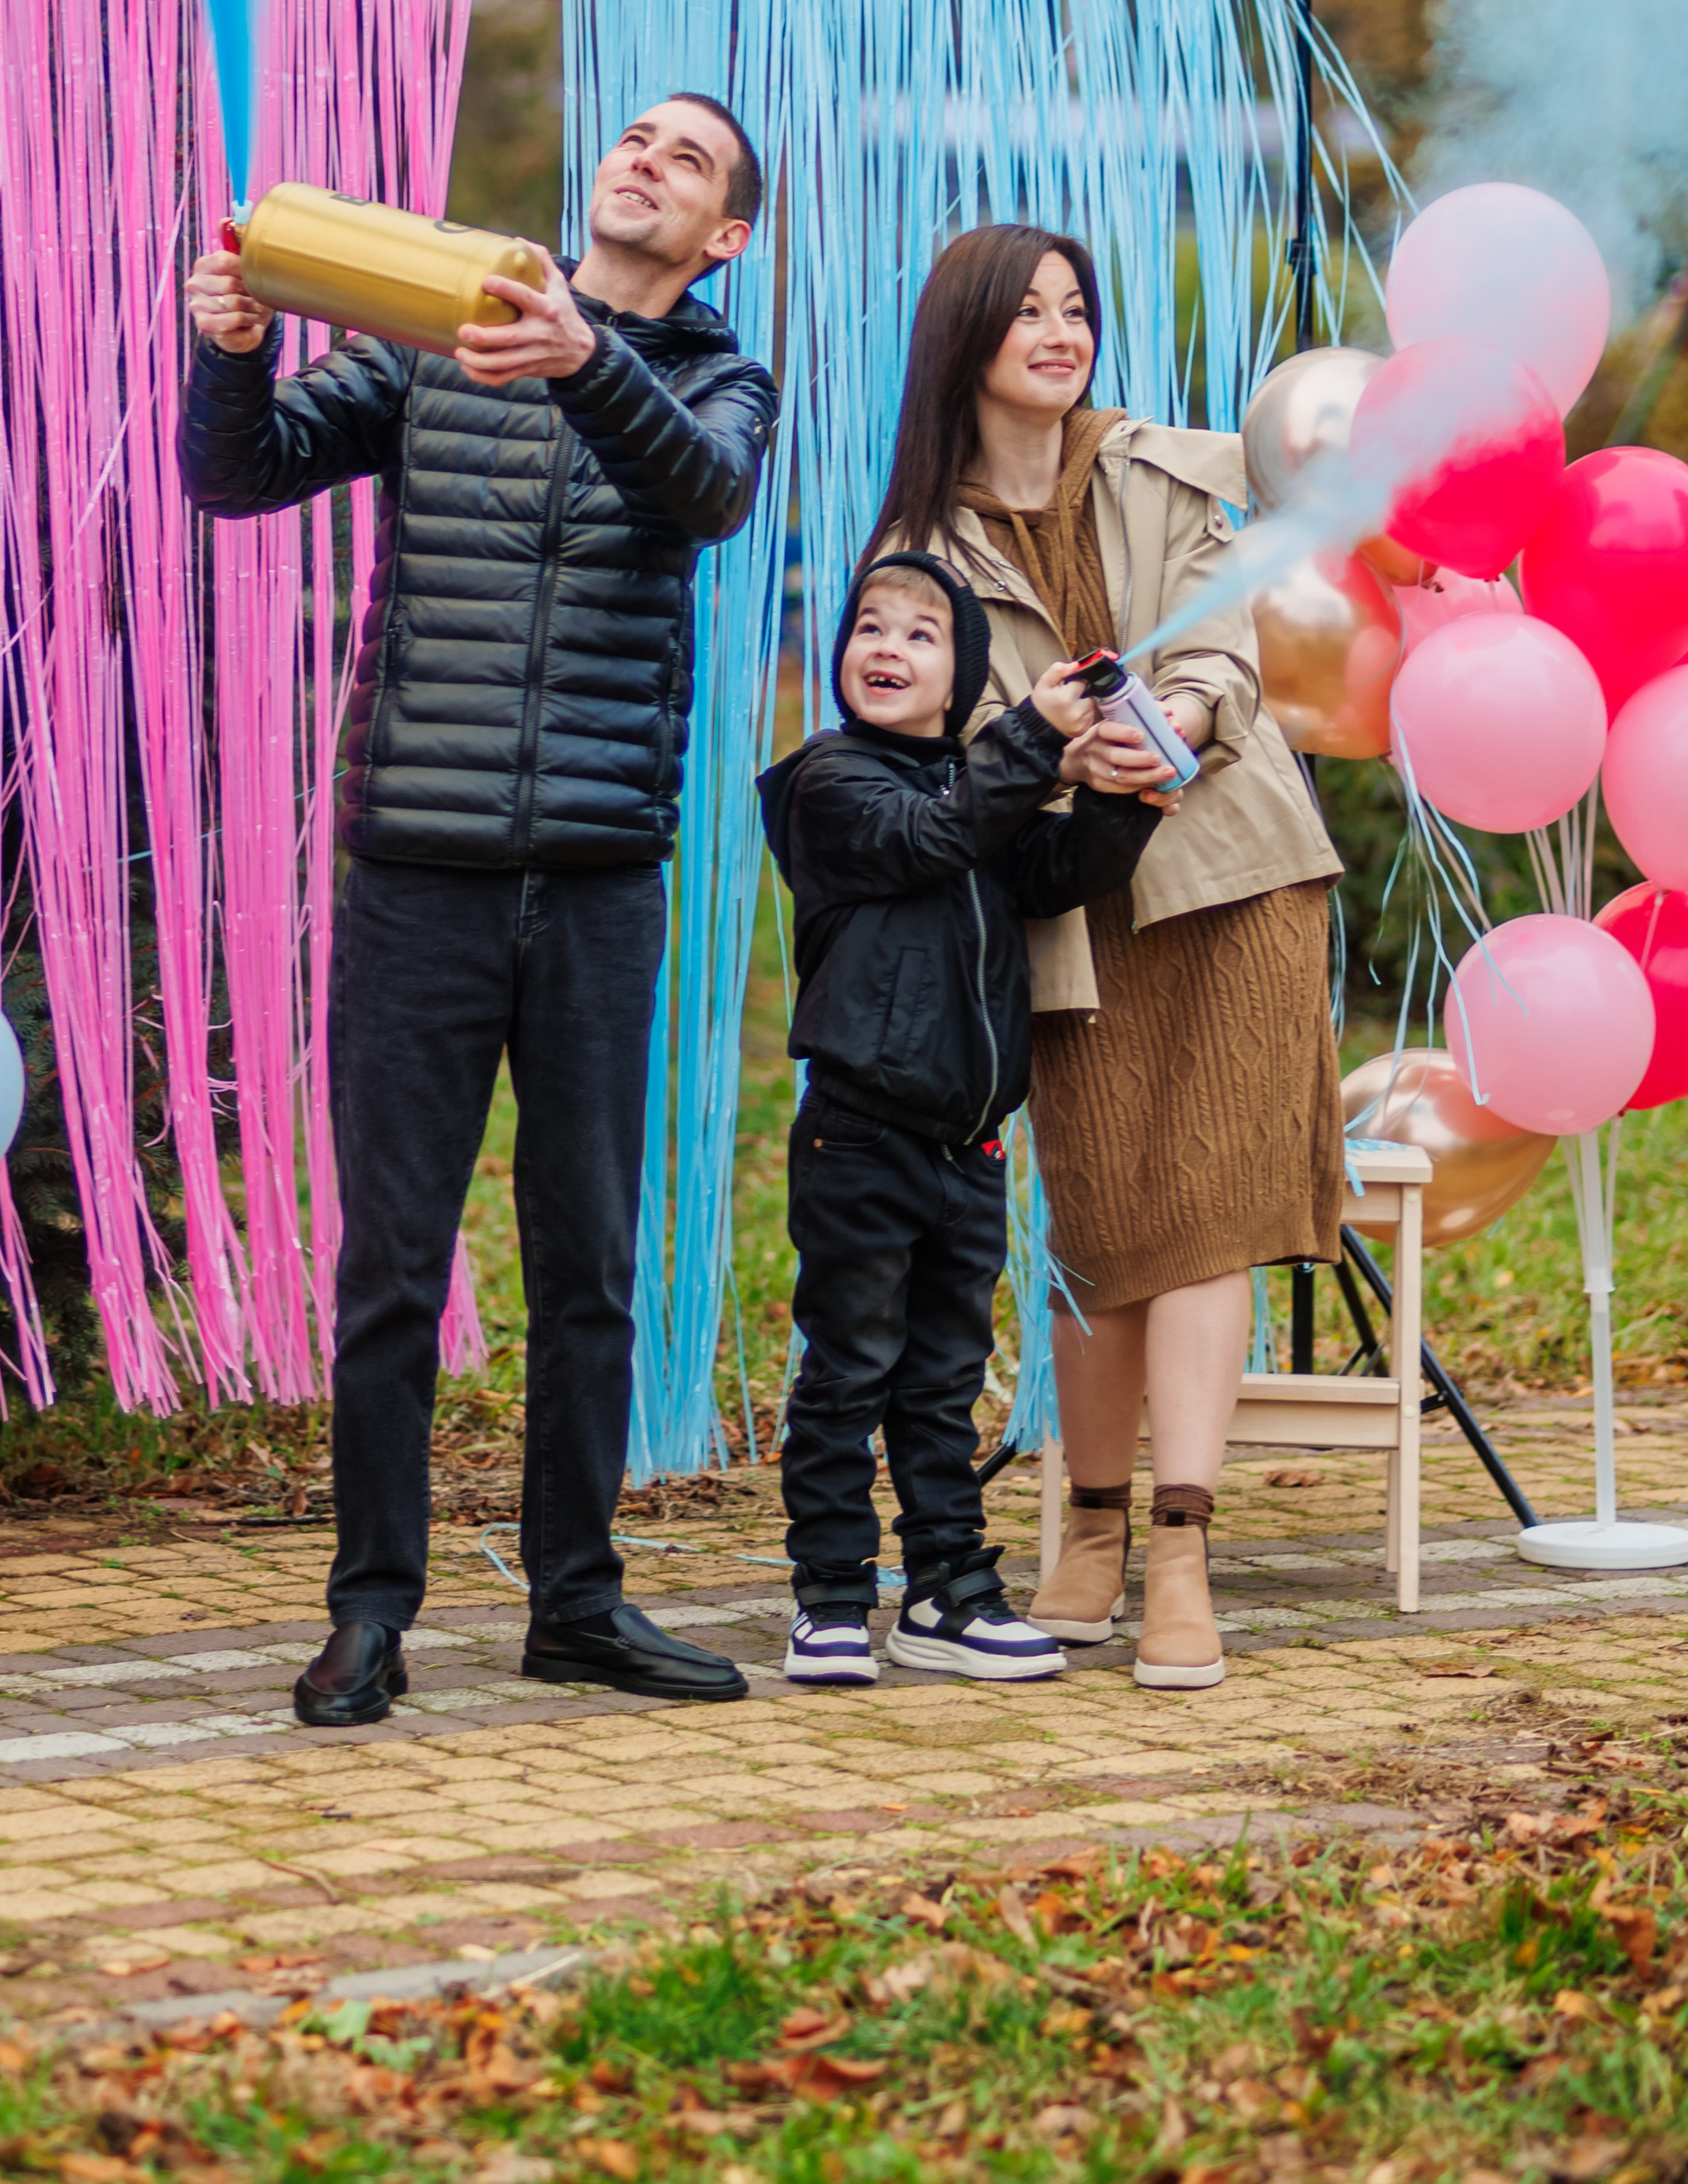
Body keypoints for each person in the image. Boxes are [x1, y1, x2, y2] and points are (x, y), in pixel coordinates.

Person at [179, 97, 779, 1727]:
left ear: (721, 235)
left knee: (582, 1259)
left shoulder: (714, 380)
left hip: (594, 884)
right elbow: (236, 475)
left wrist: (583, 358)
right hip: (416, 873)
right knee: (391, 1263)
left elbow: (705, 495)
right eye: (635, 137)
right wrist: (229, 350)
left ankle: (575, 1605)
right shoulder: (432, 335)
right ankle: (369, 1611)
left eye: (689, 161)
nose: (646, 158)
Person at [868, 225, 1343, 1693]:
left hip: (1232, 881)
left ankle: (1182, 1547)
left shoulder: (1177, 466)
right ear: (968, 338)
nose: (1062, 332)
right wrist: (1051, 741)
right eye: (1028, 313)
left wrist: (1179, 720)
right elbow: (929, 729)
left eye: (1078, 306)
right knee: (1097, 1220)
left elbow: (1231, 655)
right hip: (1062, 904)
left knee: (1202, 1210)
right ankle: (1088, 1517)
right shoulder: (918, 547)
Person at [758, 553, 1159, 1690]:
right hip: (860, 1139)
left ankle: (946, 1594)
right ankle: (830, 1598)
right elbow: (926, 839)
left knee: (941, 1383)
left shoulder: (982, 795)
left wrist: (1122, 796)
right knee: (848, 1374)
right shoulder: (826, 783)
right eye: (870, 626)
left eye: (921, 633)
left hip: (968, 1149)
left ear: (962, 674)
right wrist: (1030, 742)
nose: (886, 646)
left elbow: (1045, 870)